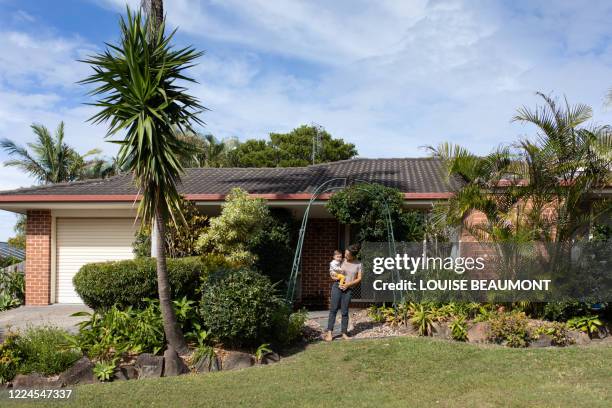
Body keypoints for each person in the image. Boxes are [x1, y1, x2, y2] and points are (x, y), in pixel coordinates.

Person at [324, 245, 362, 341]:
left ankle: (344, 333)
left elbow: (359, 278)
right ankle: (329, 333)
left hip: (348, 289)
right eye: (345, 253)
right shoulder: (341, 260)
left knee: (345, 311)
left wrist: (348, 284)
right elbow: (332, 270)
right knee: (333, 309)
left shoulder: (358, 264)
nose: (345, 255)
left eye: (347, 254)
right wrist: (333, 276)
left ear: (353, 256)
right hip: (337, 286)